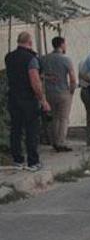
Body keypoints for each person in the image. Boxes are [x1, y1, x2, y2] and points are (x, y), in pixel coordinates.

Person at [4, 32, 50, 171]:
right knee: (31, 130)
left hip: (13, 97)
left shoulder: (9, 57)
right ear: (30, 42)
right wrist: (43, 100)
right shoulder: (31, 59)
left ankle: (17, 160)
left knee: (16, 129)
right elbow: (35, 82)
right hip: (28, 99)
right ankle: (33, 162)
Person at [41, 36, 77, 152]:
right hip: (63, 91)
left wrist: (48, 78)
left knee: (54, 118)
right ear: (61, 45)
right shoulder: (66, 60)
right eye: (65, 44)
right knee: (63, 118)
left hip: (49, 92)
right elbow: (72, 77)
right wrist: (72, 90)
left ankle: (54, 141)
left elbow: (39, 74)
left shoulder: (44, 59)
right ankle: (61, 142)